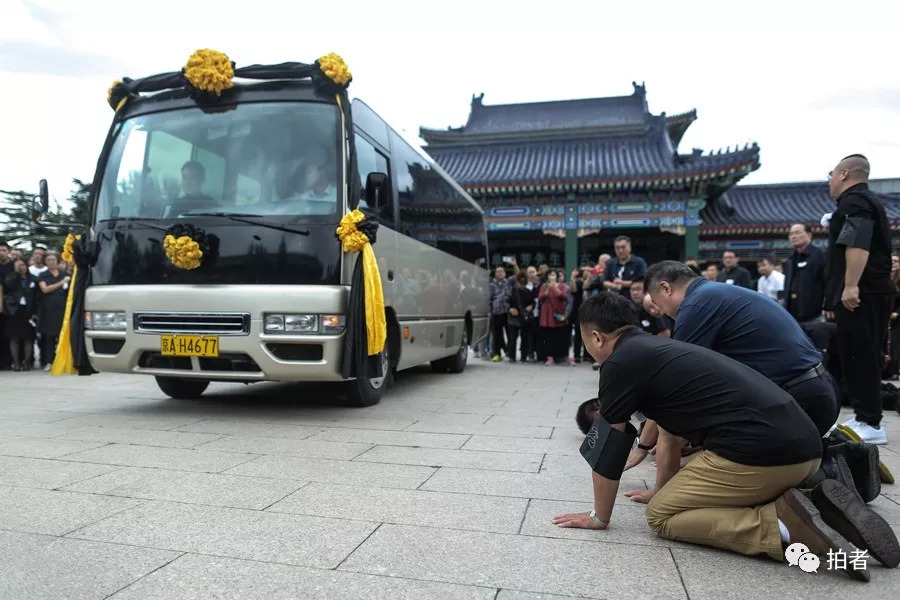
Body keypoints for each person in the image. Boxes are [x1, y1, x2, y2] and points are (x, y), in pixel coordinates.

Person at [553, 292, 899, 580]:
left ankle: (781, 525)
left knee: (661, 516)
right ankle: (810, 500)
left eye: (586, 342)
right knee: (674, 497)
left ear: (596, 337)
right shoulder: (659, 350)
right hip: (806, 449)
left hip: (763, 455)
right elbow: (670, 435)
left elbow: (608, 451)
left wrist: (599, 518)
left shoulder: (619, 363)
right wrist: (664, 487)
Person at [645, 261, 838, 437]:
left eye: (656, 302)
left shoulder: (694, 306)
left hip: (797, 401)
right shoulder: (717, 293)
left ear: (665, 288)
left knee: (702, 457)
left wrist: (646, 441)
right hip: (820, 390)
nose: (660, 312)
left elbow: (677, 384)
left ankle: (823, 468)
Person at [826, 155, 894, 445]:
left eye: (832, 174)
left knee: (862, 355)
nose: (829, 180)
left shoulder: (855, 202)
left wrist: (851, 285)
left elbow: (857, 241)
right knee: (856, 355)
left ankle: (871, 422)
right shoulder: (861, 201)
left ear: (843, 174)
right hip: (868, 292)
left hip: (863, 293)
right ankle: (864, 415)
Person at [784, 223, 828, 324]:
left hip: (813, 314)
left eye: (797, 233)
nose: (793, 236)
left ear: (809, 235)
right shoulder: (790, 259)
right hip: (792, 314)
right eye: (791, 234)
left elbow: (828, 283)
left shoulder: (820, 256)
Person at [2, 258, 38, 371]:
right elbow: (7, 285)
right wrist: (16, 273)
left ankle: (27, 362)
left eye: (23, 265)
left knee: (28, 338)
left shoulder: (32, 279)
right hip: (14, 310)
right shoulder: (11, 277)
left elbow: (36, 295)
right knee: (14, 338)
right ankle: (16, 362)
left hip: (28, 311)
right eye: (18, 265)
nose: (21, 267)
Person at [37, 252, 70, 370]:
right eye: (48, 260)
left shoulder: (64, 274)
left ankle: (65, 360)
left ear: (57, 261)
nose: (51, 262)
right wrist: (60, 283)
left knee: (64, 336)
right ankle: (49, 362)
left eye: (53, 259)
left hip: (63, 309)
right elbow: (45, 289)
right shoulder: (43, 275)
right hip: (49, 310)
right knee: (49, 337)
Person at [538, 270, 571, 365]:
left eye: (553, 275)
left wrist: (555, 289)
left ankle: (559, 356)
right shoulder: (544, 286)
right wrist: (548, 289)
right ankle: (549, 357)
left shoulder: (562, 286)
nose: (552, 277)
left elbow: (564, 297)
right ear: (547, 277)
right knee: (548, 336)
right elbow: (540, 298)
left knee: (558, 335)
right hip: (547, 313)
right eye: (550, 275)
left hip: (558, 313)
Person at [507, 272, 535, 362]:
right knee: (512, 338)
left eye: (523, 283)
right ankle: (512, 356)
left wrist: (531, 307)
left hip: (525, 317)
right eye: (520, 282)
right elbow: (506, 302)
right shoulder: (512, 291)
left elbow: (533, 302)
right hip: (513, 317)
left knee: (525, 337)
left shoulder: (528, 292)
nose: (521, 284)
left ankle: (524, 356)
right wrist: (510, 309)